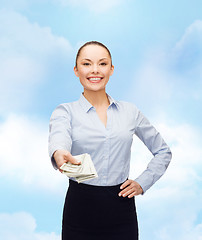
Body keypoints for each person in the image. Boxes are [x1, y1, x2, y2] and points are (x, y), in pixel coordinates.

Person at [48, 41, 172, 240]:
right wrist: (59, 153)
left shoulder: (130, 112)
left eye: (102, 63)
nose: (95, 70)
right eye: (87, 64)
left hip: (121, 209)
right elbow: (59, 138)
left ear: (112, 69)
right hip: (80, 208)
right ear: (76, 70)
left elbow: (163, 152)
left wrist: (142, 183)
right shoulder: (65, 111)